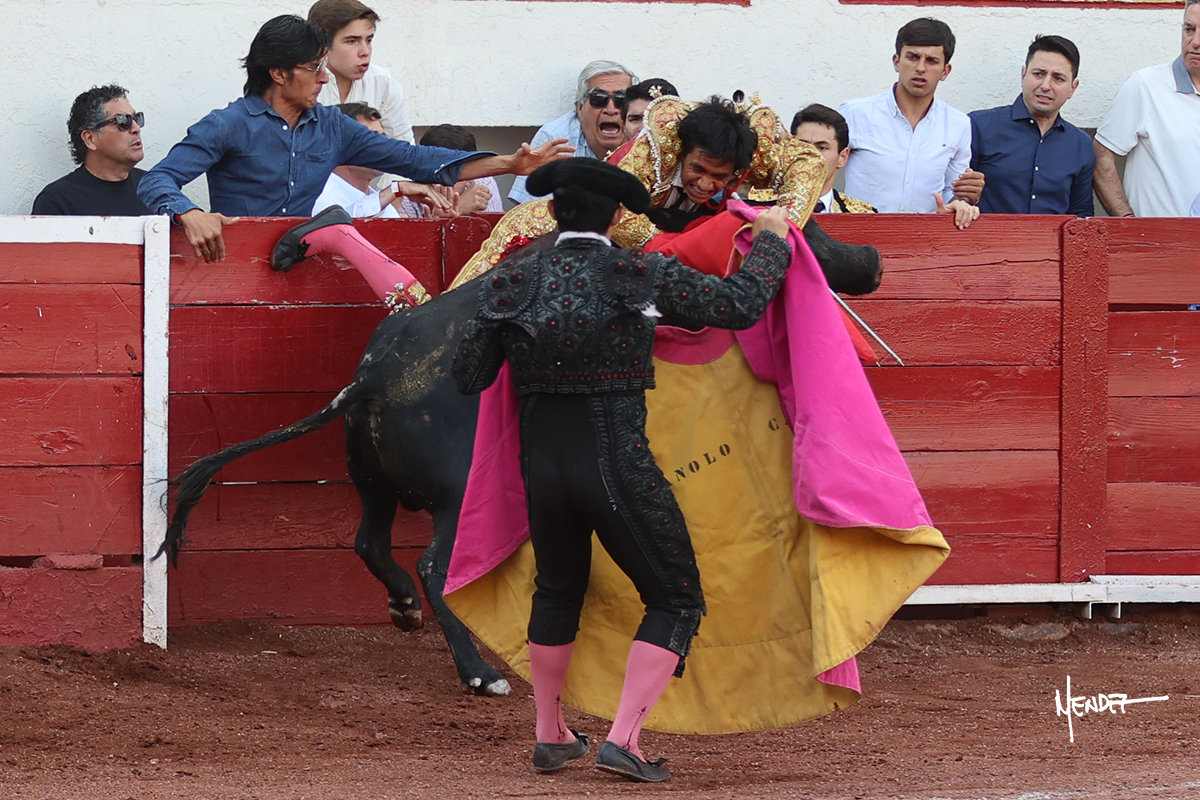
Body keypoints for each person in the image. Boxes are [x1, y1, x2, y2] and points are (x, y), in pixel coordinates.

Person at [451, 158, 794, 782]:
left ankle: (551, 734)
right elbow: (742, 304)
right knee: (676, 597)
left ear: (552, 213)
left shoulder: (510, 281)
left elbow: (468, 376)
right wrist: (771, 241)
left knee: (558, 590)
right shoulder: (637, 273)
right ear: (616, 217)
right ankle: (624, 740)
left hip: (542, 473)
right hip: (616, 467)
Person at [137, 15, 571, 263]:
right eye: (314, 68)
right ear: (278, 73)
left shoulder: (332, 126)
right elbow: (156, 180)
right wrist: (189, 212)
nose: (325, 78)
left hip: (303, 265)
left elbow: (415, 160)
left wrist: (509, 164)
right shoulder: (229, 123)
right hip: (234, 269)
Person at [838, 18, 981, 229]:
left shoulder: (957, 124)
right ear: (897, 61)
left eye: (931, 61)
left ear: (945, 71)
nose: (920, 68)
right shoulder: (855, 114)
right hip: (859, 236)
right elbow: (821, 169)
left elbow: (952, 193)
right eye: (913, 57)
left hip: (923, 239)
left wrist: (964, 198)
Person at [1093, 0, 1200, 217]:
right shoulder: (1145, 85)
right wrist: (1128, 221)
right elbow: (1100, 156)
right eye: (1189, 29)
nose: (1195, 42)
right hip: (1157, 238)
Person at [968, 36, 1094, 216]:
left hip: (1053, 236)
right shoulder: (979, 126)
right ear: (1023, 75)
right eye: (1039, 74)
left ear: (1073, 88)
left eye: (1058, 78)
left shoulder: (1080, 144)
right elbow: (954, 194)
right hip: (988, 234)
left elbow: (1081, 213)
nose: (1046, 86)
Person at [507, 60, 637, 205]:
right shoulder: (555, 137)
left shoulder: (646, 136)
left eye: (621, 100)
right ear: (580, 108)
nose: (611, 110)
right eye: (599, 98)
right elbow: (530, 211)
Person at [311, 103, 454, 219]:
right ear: (339, 145)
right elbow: (340, 225)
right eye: (370, 137)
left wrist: (435, 228)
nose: (382, 145)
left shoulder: (382, 201)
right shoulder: (317, 194)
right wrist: (396, 189)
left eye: (382, 137)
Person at [32, 85, 149, 216]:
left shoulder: (154, 188)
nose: (136, 128)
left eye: (136, 118)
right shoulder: (58, 201)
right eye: (123, 121)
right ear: (90, 139)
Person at [308, 0, 413, 143]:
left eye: (368, 40)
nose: (365, 51)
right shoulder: (301, 84)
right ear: (322, 45)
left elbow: (404, 148)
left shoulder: (382, 83)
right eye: (352, 41)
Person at [399, 125, 504, 218]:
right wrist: (456, 210)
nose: (440, 182)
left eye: (451, 174)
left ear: (470, 178)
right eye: (433, 172)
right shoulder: (408, 192)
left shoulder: (482, 183)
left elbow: (496, 233)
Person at [790, 104, 876, 214]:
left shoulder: (862, 216)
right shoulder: (768, 208)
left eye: (821, 148)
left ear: (842, 158)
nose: (810, 154)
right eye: (802, 146)